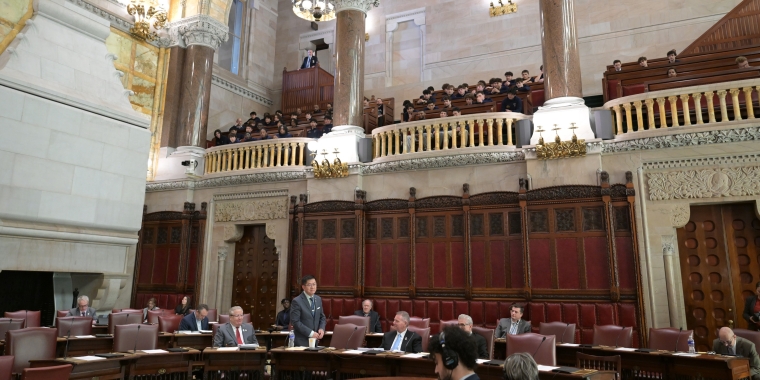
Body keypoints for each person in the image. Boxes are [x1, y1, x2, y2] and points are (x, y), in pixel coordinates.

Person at [290, 274, 327, 347]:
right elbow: (295, 322)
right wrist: (311, 333)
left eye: (314, 284)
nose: (312, 287)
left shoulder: (318, 299)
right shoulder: (297, 301)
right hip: (302, 342)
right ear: (303, 287)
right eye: (309, 285)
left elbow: (322, 317)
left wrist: (321, 329)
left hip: (315, 341)